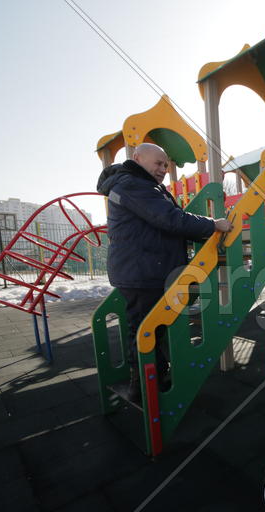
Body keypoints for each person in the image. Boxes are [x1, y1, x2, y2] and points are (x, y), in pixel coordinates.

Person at [97, 143, 233, 403]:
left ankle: (153, 378)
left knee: (149, 328)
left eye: (165, 165)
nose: (162, 169)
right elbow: (170, 219)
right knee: (146, 329)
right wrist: (213, 224)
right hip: (143, 271)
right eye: (158, 163)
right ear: (137, 158)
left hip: (142, 268)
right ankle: (144, 386)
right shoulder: (134, 185)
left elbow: (166, 218)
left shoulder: (133, 184)